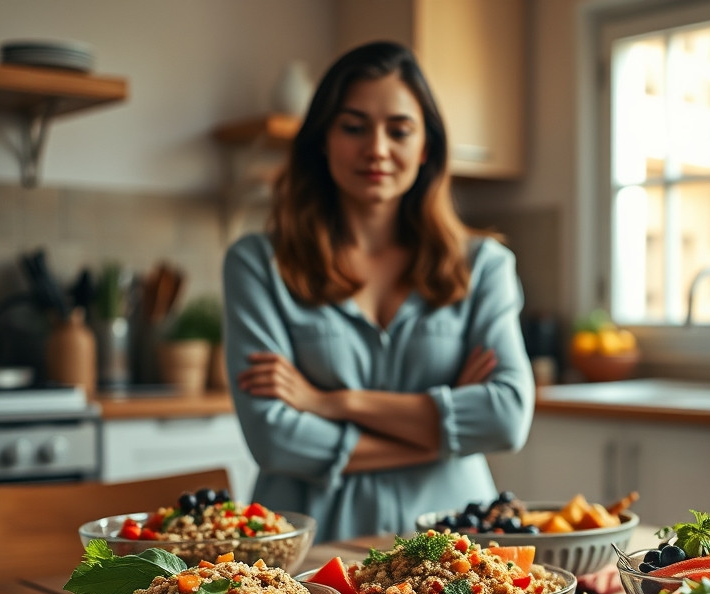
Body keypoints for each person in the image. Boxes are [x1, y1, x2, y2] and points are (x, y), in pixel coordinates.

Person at [223, 41, 533, 543]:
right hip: (310, 549)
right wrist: (448, 428)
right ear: (322, 139)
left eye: (399, 130)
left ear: (425, 147)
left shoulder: (484, 265)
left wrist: (330, 401)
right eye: (353, 126)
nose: (377, 148)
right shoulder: (257, 263)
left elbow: (506, 418)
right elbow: (274, 439)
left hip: (457, 548)